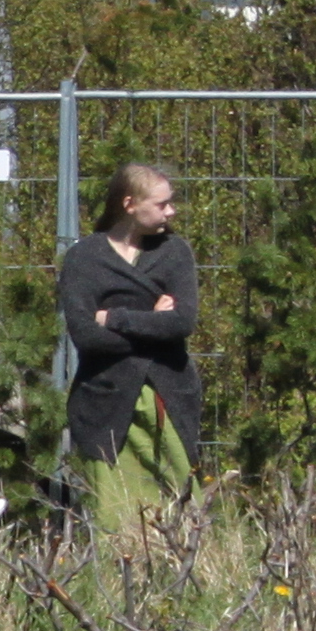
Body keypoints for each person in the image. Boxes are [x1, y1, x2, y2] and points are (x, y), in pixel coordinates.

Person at [58, 163, 202, 468]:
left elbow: (181, 322)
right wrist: (154, 324)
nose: (171, 212)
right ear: (129, 204)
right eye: (162, 204)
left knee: (174, 506)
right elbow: (85, 335)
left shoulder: (175, 252)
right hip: (103, 403)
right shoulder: (83, 258)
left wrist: (113, 318)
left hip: (168, 395)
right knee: (113, 511)